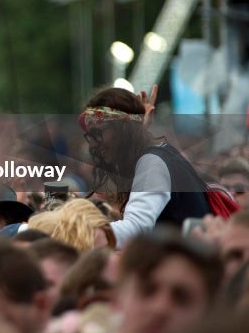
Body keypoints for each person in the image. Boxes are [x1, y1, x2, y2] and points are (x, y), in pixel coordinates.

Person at [80, 87, 210, 246]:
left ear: (123, 129)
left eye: (97, 134)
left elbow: (135, 229)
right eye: (90, 136)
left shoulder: (152, 163)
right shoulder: (158, 155)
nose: (92, 145)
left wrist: (74, 232)